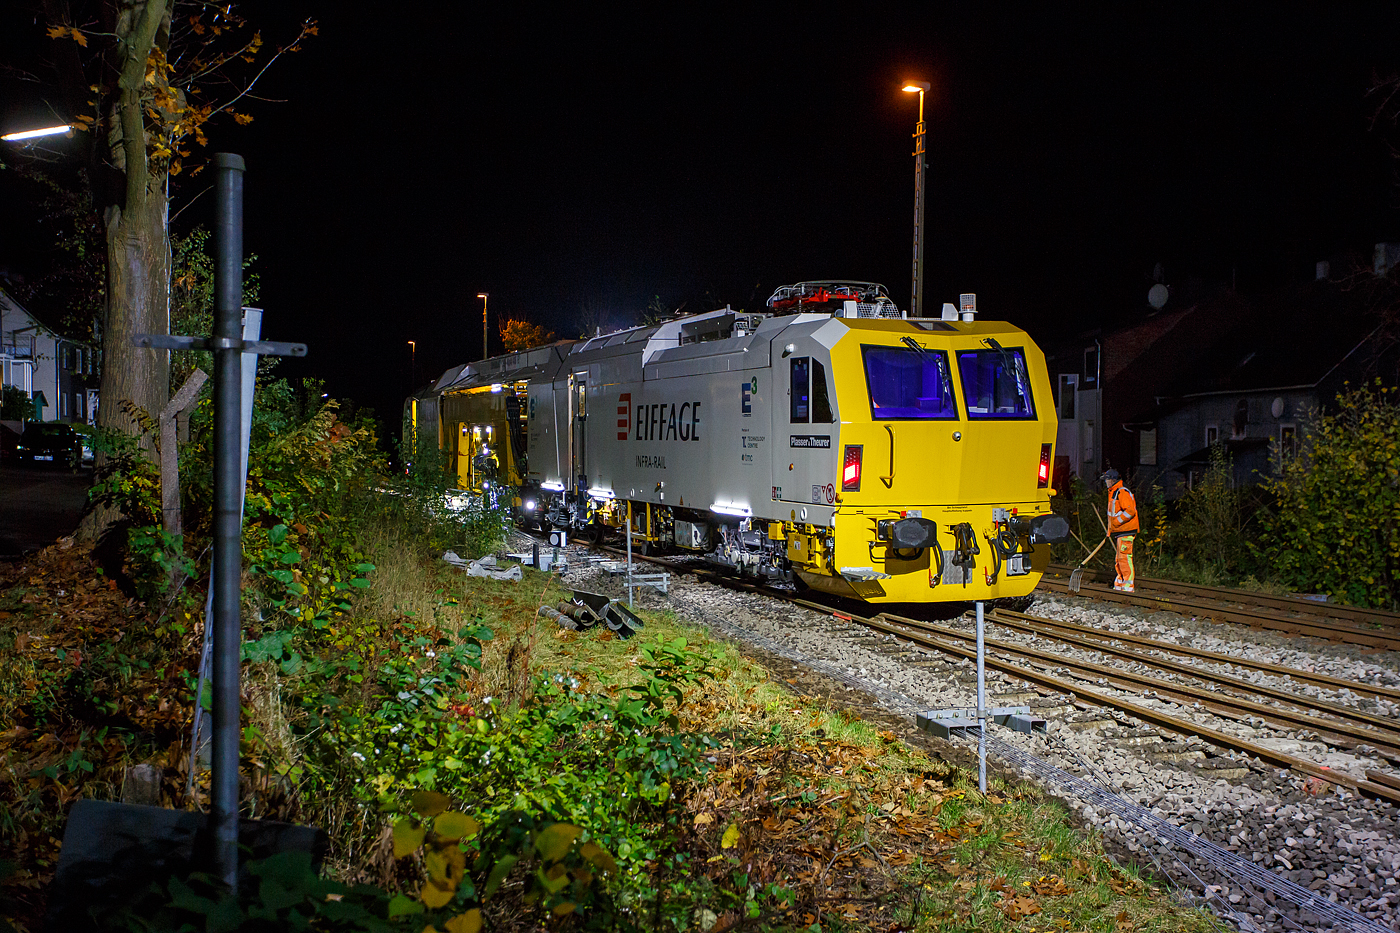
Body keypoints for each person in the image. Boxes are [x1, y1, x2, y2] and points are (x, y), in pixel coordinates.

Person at [1102, 469, 1138, 592]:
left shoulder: (1121, 492)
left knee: (1124, 558)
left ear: (1112, 479)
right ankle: (1120, 584)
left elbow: (1130, 511)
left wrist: (1116, 523)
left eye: (1107, 479)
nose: (1106, 482)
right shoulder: (1114, 493)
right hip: (1120, 532)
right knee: (1119, 559)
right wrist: (1110, 530)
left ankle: (1128, 586)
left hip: (1126, 531)